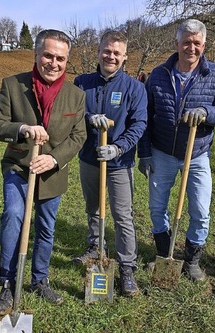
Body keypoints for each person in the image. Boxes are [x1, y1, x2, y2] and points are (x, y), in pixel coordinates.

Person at [0, 29, 87, 315]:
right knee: (14, 216)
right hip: (19, 167)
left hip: (53, 173)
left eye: (60, 58)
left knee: (46, 228)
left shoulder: (76, 96)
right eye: (48, 55)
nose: (53, 63)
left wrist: (53, 159)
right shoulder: (13, 86)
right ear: (37, 55)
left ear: (67, 61)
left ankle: (40, 280)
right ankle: (7, 285)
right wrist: (22, 130)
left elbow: (78, 137)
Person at [137, 19, 215, 281]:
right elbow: (145, 117)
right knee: (158, 208)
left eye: (196, 43)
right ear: (176, 44)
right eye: (186, 42)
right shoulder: (158, 74)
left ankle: (191, 261)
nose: (191, 48)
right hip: (162, 152)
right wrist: (144, 153)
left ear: (204, 45)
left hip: (197, 154)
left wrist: (205, 112)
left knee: (200, 210)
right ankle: (164, 255)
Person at [72, 30, 147, 297]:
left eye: (117, 53)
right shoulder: (82, 83)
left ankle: (127, 267)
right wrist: (89, 117)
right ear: (99, 51)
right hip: (89, 159)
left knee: (122, 216)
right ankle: (95, 249)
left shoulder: (135, 88)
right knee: (93, 208)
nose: (111, 56)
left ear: (125, 57)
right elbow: (73, 113)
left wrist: (117, 148)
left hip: (120, 163)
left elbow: (139, 124)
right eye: (107, 51)